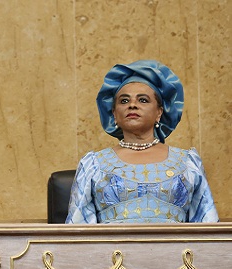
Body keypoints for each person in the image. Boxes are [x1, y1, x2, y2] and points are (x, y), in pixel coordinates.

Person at [65, 60, 219, 224]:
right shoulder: (93, 165)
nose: (132, 105)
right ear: (114, 114)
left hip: (176, 249)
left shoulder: (187, 163)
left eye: (143, 100)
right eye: (124, 101)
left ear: (159, 112)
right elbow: (78, 232)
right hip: (111, 250)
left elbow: (208, 230)